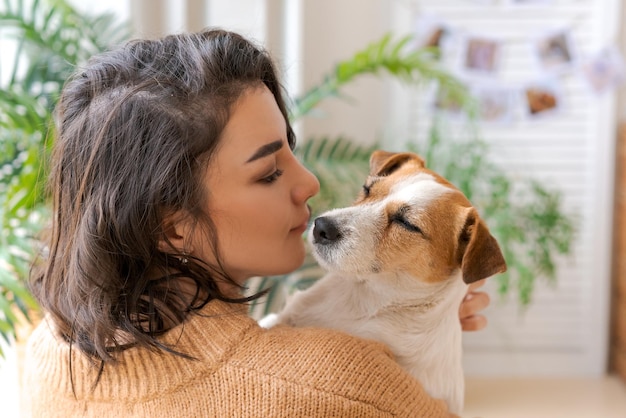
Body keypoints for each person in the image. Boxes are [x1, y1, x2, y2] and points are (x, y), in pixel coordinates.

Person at [22, 28, 490, 417]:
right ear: (170, 226)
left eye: (291, 147)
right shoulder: (346, 387)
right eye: (268, 173)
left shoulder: (48, 348)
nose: (308, 183)